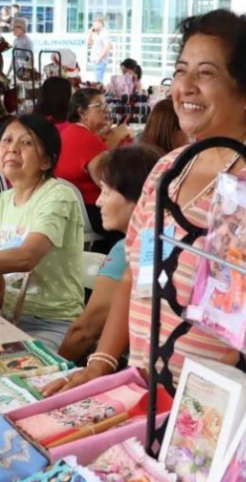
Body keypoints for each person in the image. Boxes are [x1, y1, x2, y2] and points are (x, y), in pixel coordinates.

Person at [45, 10, 246, 404]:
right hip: (151, 393)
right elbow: (137, 274)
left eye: (207, 73)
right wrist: (101, 362)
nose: (186, 87)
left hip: (235, 409)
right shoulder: (169, 168)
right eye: (181, 71)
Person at [0, 115, 85, 352]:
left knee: (7, 369)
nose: (12, 148)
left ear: (45, 161)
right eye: (7, 140)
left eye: (26, 143)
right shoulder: (5, 200)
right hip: (9, 318)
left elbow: (26, 257)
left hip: (53, 323)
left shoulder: (58, 195)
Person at [57, 145, 163, 363]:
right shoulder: (166, 241)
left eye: (105, 191)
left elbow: (85, 331)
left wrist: (52, 370)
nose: (98, 201)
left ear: (139, 198)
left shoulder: (127, 251)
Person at [56, 88, 131, 251]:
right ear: (82, 112)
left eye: (106, 105)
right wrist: (116, 137)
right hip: (91, 213)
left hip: (69, 210)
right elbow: (110, 184)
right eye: (100, 106)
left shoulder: (68, 132)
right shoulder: (89, 141)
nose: (107, 110)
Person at [87, 16, 112, 84]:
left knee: (99, 82)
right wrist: (90, 32)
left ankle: (100, 93)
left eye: (95, 24)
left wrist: (99, 58)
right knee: (97, 80)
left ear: (99, 23)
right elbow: (89, 43)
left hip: (100, 61)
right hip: (96, 60)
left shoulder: (105, 33)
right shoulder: (97, 34)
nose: (93, 25)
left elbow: (107, 47)